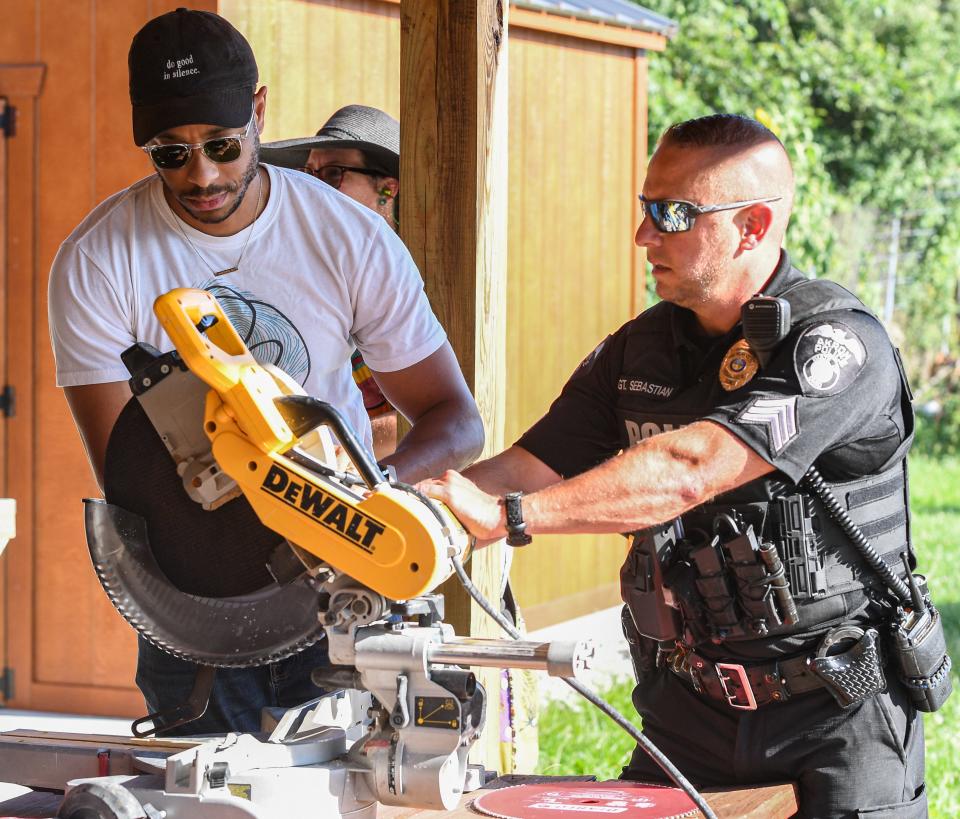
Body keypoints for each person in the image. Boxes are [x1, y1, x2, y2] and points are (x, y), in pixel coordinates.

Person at [421, 114, 927, 817]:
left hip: (835, 715)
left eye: (673, 214)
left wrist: (509, 519)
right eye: (645, 209)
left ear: (751, 226)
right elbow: (526, 466)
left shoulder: (840, 346)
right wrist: (404, 505)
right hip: (688, 715)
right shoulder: (638, 351)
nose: (644, 235)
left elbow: (693, 465)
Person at [47, 9, 483, 735]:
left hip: (348, 585)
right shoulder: (98, 259)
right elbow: (129, 480)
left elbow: (455, 419)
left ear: (258, 111)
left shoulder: (349, 237)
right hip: (198, 607)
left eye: (221, 145)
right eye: (171, 154)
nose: (203, 175)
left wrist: (359, 502)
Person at [261, 104, 402, 461]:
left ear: (387, 191)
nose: (311, 187)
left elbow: (426, 419)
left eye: (333, 173)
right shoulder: (300, 268)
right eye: (309, 172)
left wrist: (326, 448)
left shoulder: (407, 286)